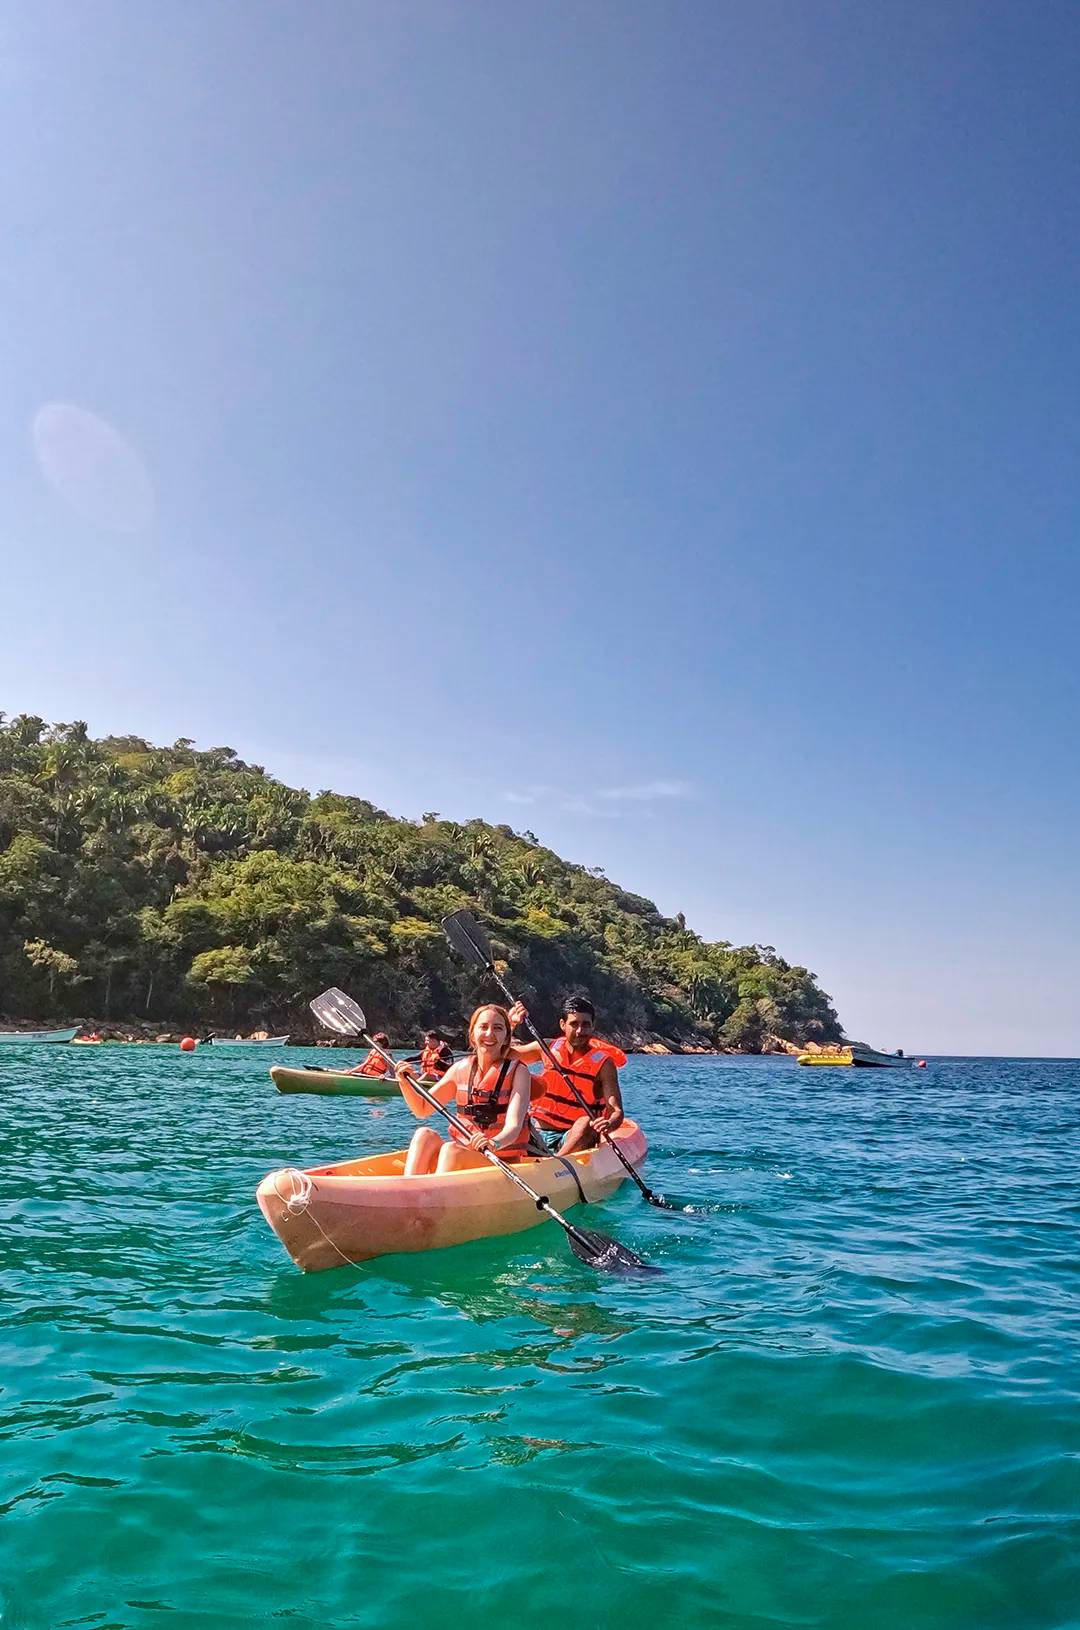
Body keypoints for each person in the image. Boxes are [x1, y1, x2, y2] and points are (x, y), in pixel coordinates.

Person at [395, 1004, 532, 1176]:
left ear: (506, 1037)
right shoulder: (459, 1070)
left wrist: (493, 1143)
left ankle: (431, 1196)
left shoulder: (519, 1072)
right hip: (466, 1155)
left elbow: (513, 1127)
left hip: (500, 1160)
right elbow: (421, 1109)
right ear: (473, 1035)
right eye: (483, 1027)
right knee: (424, 1135)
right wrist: (404, 1083)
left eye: (498, 1028)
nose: (490, 1034)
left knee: (452, 1150)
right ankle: (410, 1192)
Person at [508, 994, 626, 1157]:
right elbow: (503, 1054)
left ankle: (556, 1164)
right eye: (574, 1024)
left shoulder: (604, 1064)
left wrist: (608, 1124)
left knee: (586, 1123)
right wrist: (511, 1024)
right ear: (563, 1025)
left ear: (593, 1026)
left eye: (585, 1024)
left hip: (572, 1137)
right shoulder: (546, 1047)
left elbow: (617, 1112)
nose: (580, 1031)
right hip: (536, 1132)